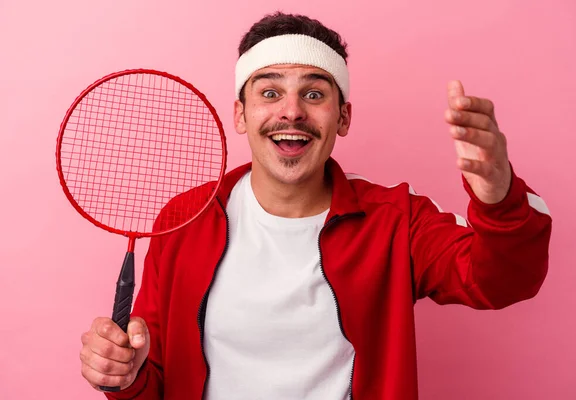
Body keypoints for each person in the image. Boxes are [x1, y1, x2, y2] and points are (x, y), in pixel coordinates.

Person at [79, 12, 552, 400]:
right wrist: (126, 375)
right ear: (241, 114)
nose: (291, 111)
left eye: (313, 93)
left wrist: (497, 196)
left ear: (342, 117)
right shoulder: (185, 219)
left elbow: (501, 282)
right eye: (269, 92)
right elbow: (153, 376)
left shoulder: (396, 220)